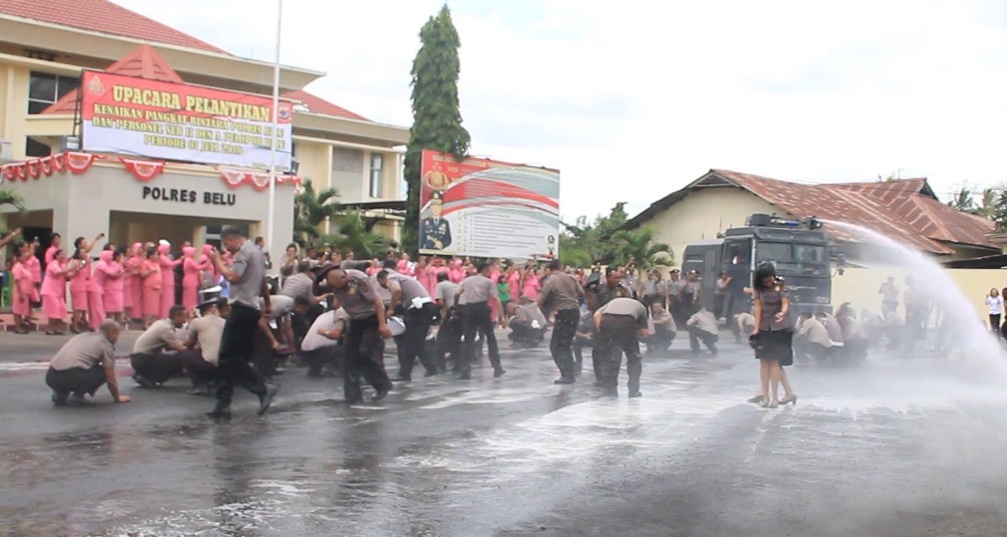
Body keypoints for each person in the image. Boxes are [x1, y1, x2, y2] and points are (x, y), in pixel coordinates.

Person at [206, 226, 280, 420]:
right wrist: (268, 302)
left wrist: (218, 262)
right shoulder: (257, 252)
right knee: (233, 358)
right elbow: (262, 280)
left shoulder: (244, 252)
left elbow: (233, 277)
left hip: (242, 308)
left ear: (232, 239)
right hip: (252, 308)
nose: (226, 249)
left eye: (226, 244)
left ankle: (262, 388)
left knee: (227, 357)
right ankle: (223, 404)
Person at [314, 264, 394, 403]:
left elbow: (377, 302)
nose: (340, 291)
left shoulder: (359, 279)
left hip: (372, 317)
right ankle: (352, 395)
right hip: (355, 319)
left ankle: (382, 384)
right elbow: (315, 291)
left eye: (342, 287)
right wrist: (318, 277)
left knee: (366, 351)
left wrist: (382, 324)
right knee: (349, 355)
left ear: (345, 277)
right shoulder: (331, 283)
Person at [45, 320, 130, 406]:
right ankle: (78, 395)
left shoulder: (82, 336)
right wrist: (117, 398)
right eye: (117, 334)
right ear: (113, 332)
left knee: (79, 366)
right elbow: (111, 378)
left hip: (51, 376)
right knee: (102, 371)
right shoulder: (105, 344)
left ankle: (60, 393)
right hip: (72, 376)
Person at [748, 263, 797, 408]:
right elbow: (758, 307)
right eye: (765, 280)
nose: (768, 282)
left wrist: (782, 313)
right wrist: (756, 328)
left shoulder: (780, 284)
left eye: (770, 279)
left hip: (779, 328)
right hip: (763, 327)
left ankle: (775, 397)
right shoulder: (758, 288)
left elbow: (785, 302)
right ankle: (766, 396)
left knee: (775, 362)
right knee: (764, 362)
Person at [377, 268, 438, 381]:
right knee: (417, 342)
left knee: (410, 343)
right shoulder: (403, 278)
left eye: (381, 284)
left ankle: (405, 374)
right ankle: (431, 368)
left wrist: (391, 309)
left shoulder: (391, 278)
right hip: (425, 307)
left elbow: (396, 290)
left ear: (381, 279)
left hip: (419, 309)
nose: (384, 287)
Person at [538, 259, 585, 384]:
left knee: (556, 346)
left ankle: (567, 374)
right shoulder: (572, 278)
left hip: (563, 312)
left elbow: (541, 298)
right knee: (566, 344)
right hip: (574, 311)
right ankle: (570, 372)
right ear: (561, 267)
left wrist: (546, 310)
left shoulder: (551, 280)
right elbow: (582, 293)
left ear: (550, 269)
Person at [455, 262, 505, 379]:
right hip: (482, 309)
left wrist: (455, 306)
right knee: (490, 338)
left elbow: (457, 293)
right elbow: (496, 298)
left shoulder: (467, 280)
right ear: (486, 270)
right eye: (490, 271)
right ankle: (497, 368)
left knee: (468, 340)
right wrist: (502, 315)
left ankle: (465, 370)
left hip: (469, 309)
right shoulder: (488, 282)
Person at [593, 297, 650, 397]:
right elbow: (645, 333)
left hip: (607, 320)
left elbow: (596, 315)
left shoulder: (613, 301)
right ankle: (633, 390)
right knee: (634, 358)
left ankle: (611, 389)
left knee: (611, 358)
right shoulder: (642, 308)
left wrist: (601, 332)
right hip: (627, 322)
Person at [130, 305, 188, 387]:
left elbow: (168, 348)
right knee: (185, 357)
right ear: (177, 316)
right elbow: (181, 349)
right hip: (143, 359)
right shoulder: (166, 329)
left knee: (171, 357)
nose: (185, 321)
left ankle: (145, 375)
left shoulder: (161, 323)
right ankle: (150, 377)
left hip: (138, 358)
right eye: (184, 318)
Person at [181, 298, 226, 395]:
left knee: (186, 354)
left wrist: (190, 321)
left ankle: (199, 386)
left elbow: (188, 344)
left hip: (211, 366)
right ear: (214, 309)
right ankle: (216, 381)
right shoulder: (224, 322)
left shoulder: (197, 322)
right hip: (228, 365)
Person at [300, 304, 350, 378]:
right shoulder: (342, 313)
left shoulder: (324, 315)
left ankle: (315, 369)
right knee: (348, 347)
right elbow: (336, 335)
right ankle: (340, 370)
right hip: (319, 352)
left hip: (305, 351)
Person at [41, 249, 77, 335]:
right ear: (56, 256)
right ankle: (50, 329)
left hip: (58, 292)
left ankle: (57, 329)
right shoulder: (52, 264)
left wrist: (77, 270)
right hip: (50, 291)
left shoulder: (63, 265)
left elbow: (68, 276)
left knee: (60, 309)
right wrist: (71, 268)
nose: (64, 256)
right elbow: (58, 273)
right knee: (53, 310)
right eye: (61, 254)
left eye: (64, 255)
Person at [11, 250, 37, 334]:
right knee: (17, 310)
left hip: (26, 291)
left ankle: (20, 326)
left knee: (21, 309)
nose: (24, 257)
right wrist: (21, 293)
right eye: (22, 256)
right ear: (18, 258)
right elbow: (17, 281)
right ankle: (17, 328)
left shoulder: (23, 266)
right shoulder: (17, 267)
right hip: (20, 291)